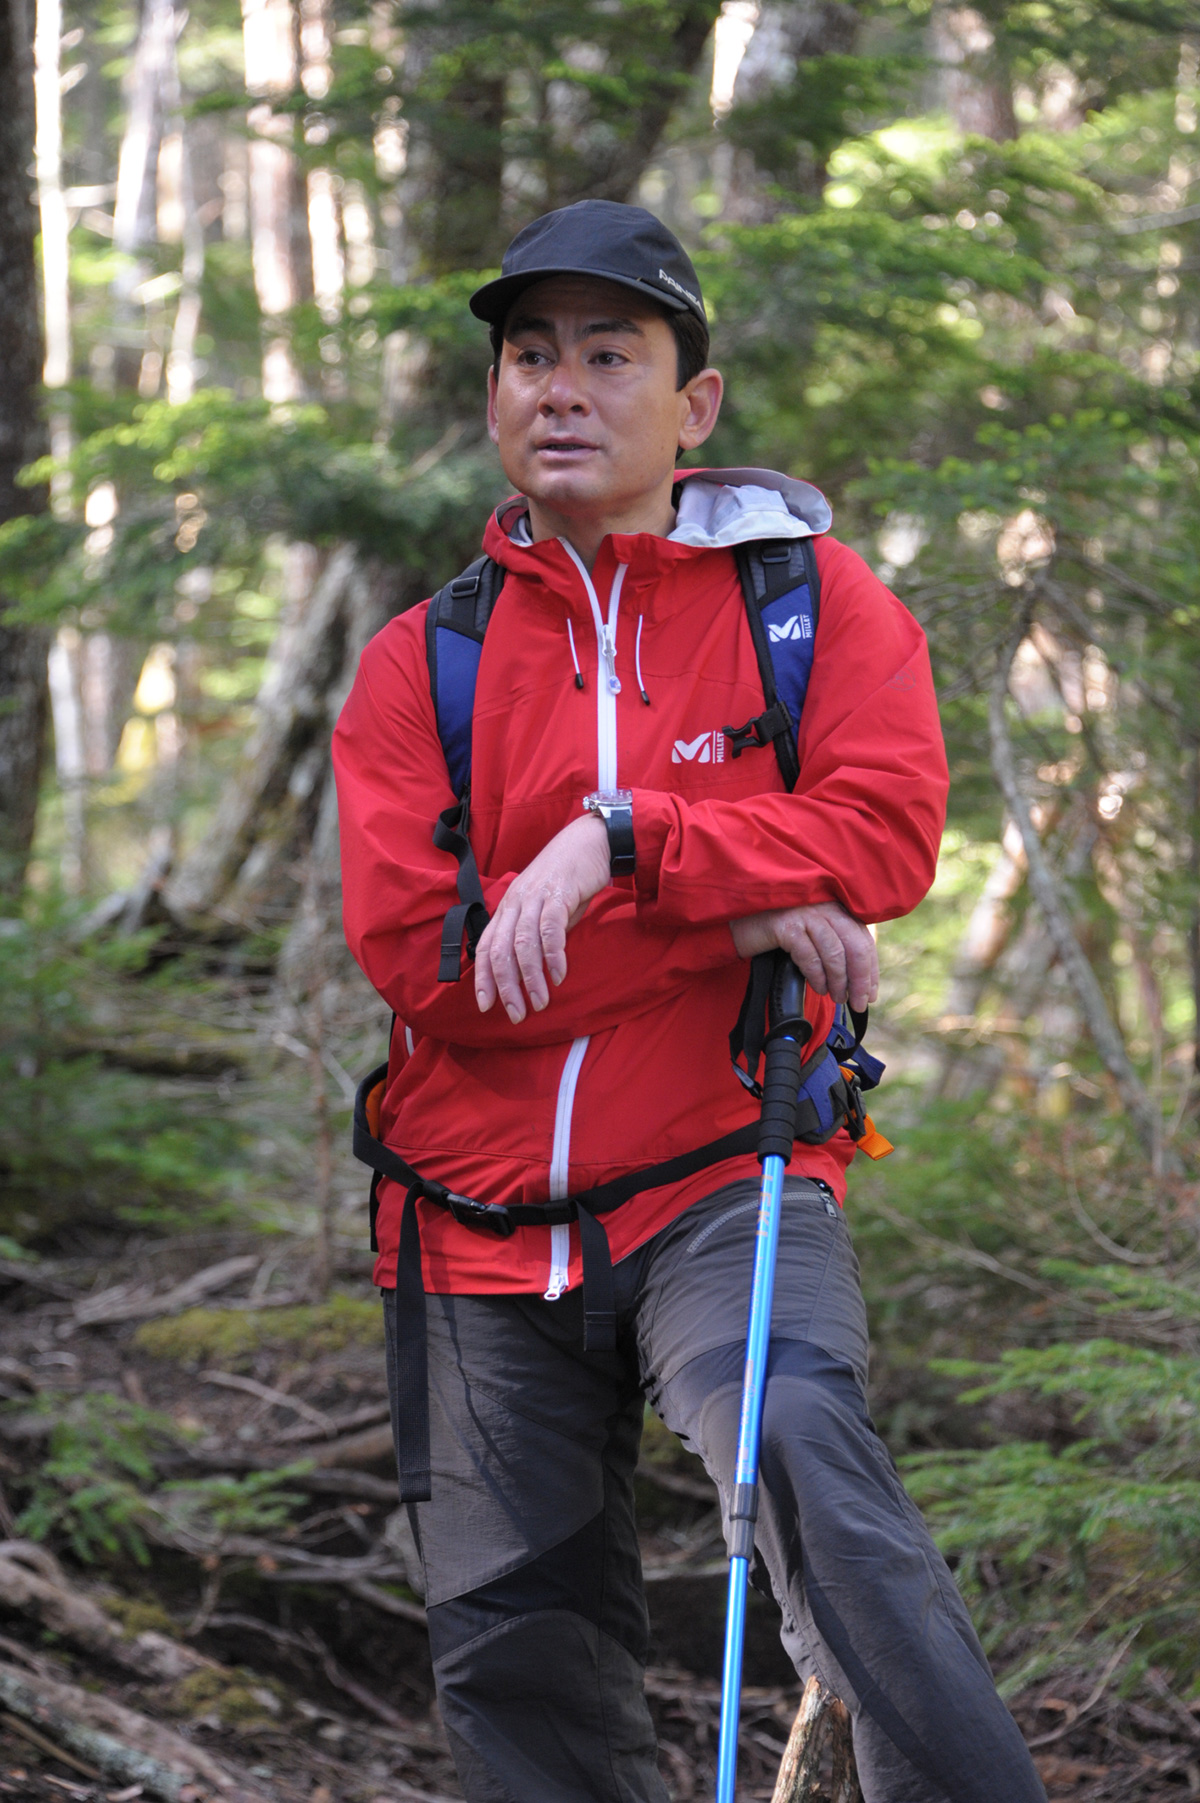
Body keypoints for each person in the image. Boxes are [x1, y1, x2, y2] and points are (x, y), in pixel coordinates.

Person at [332, 199, 1046, 1803]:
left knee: (801, 1453)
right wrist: (741, 917)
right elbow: (437, 970)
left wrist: (622, 843)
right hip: (465, 1216)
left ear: (694, 403)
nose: (563, 388)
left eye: (611, 354)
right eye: (531, 356)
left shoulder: (811, 607)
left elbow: (885, 836)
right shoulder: (421, 665)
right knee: (515, 1657)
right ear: (494, 396)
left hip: (728, 1174)